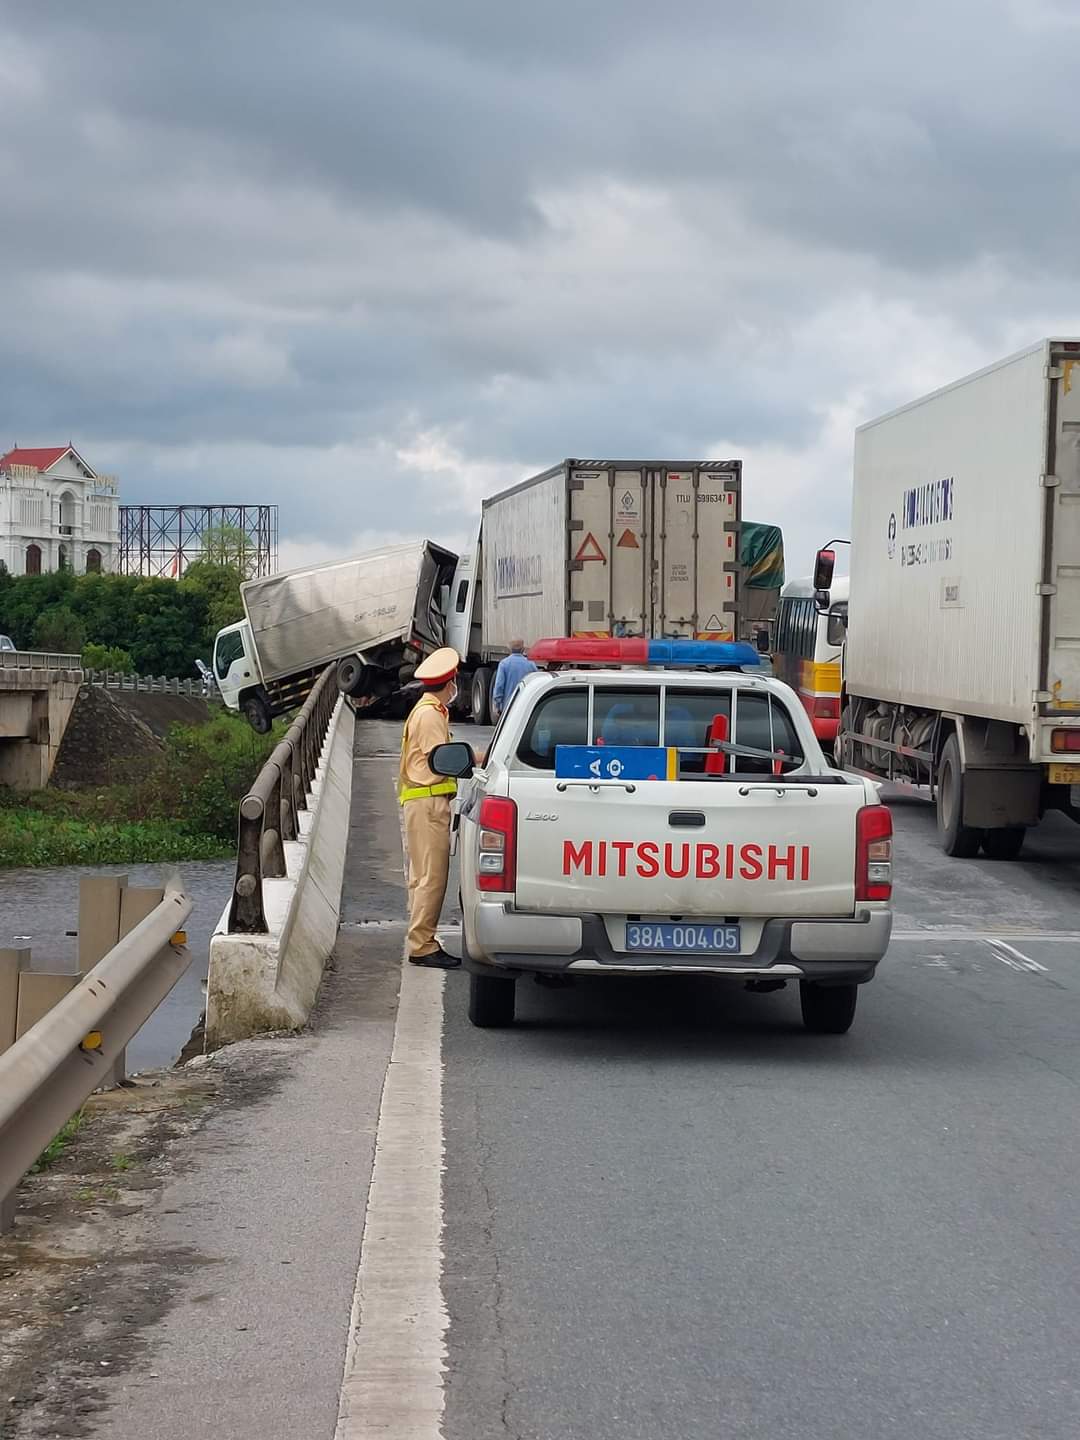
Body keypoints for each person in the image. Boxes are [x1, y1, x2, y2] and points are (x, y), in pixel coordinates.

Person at [399, 647, 462, 969]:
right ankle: (422, 944)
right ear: (449, 682)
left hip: (421, 802)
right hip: (429, 802)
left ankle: (420, 937)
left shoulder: (427, 710)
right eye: (454, 682)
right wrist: (474, 758)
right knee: (432, 878)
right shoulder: (430, 714)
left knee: (421, 877)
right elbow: (443, 758)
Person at [491, 639, 537, 720]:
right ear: (523, 649)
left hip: (508, 706)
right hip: (525, 705)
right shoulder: (531, 664)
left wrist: (497, 705)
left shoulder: (504, 664)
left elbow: (499, 686)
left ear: (510, 649)